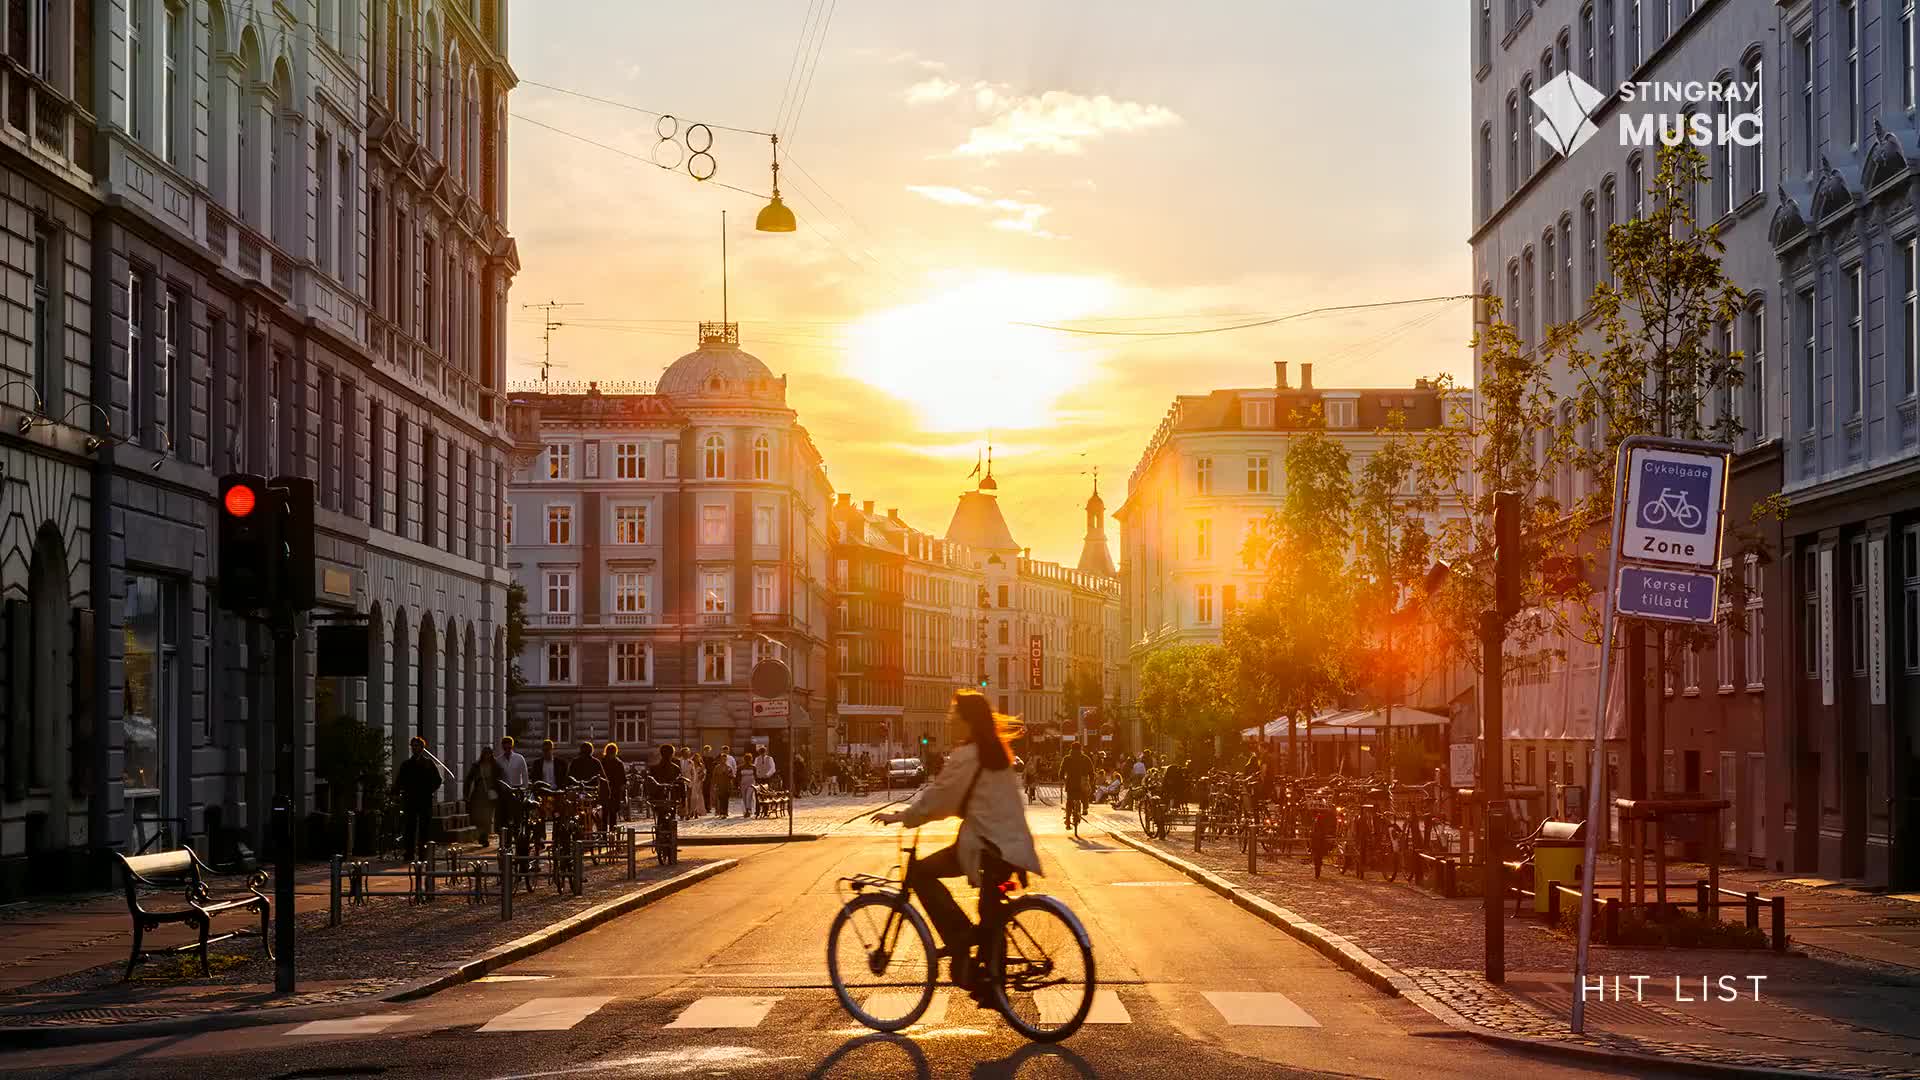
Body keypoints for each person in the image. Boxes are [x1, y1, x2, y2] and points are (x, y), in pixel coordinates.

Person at [873, 691, 1040, 991]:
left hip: (989, 845)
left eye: (954, 716)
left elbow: (941, 798)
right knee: (990, 914)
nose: (949, 721)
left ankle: (964, 940)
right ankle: (989, 978)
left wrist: (903, 817)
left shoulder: (968, 755)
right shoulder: (996, 750)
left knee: (921, 873)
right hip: (1009, 843)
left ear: (967, 720)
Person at [395, 736, 442, 862]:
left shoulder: (428, 763)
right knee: (409, 827)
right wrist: (396, 792)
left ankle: (423, 852)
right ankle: (409, 852)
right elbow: (400, 780)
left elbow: (437, 780)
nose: (414, 748)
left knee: (424, 827)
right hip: (410, 799)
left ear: (422, 748)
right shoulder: (407, 764)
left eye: (417, 746)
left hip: (424, 800)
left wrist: (428, 791)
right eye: (413, 746)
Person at [464, 748, 501, 847]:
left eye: (489, 754)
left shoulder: (495, 766)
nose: (487, 756)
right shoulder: (476, 766)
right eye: (485, 754)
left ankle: (484, 837)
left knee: (487, 818)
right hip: (479, 795)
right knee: (478, 817)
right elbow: (469, 779)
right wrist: (466, 794)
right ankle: (481, 835)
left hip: (490, 795)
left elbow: (499, 779)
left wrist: (499, 792)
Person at [1061, 743, 1093, 821]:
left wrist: (1061, 778)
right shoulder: (1086, 758)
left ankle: (1068, 818)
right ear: (1081, 749)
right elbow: (1091, 771)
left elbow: (1062, 770)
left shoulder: (1067, 758)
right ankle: (1085, 808)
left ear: (1071, 749)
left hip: (1070, 782)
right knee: (1085, 793)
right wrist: (1091, 781)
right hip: (1082, 782)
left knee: (1069, 800)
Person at [600, 743, 626, 826]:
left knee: (604, 812)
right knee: (613, 812)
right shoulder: (619, 763)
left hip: (604, 790)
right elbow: (623, 779)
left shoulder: (602, 762)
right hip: (615, 790)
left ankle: (603, 832)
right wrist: (622, 791)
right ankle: (612, 831)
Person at [683, 749, 707, 817]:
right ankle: (692, 811)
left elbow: (704, 772)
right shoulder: (691, 763)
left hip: (698, 782)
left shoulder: (701, 765)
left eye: (698, 758)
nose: (697, 759)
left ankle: (697, 811)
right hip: (692, 781)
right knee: (692, 797)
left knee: (698, 797)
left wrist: (701, 777)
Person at [714, 746, 736, 818]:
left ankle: (725, 812)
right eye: (722, 759)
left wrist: (730, 775)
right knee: (720, 799)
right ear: (720, 759)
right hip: (720, 785)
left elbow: (732, 775)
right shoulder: (717, 767)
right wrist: (715, 784)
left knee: (726, 799)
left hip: (727, 785)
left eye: (725, 759)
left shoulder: (729, 767)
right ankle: (721, 812)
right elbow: (714, 776)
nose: (723, 760)